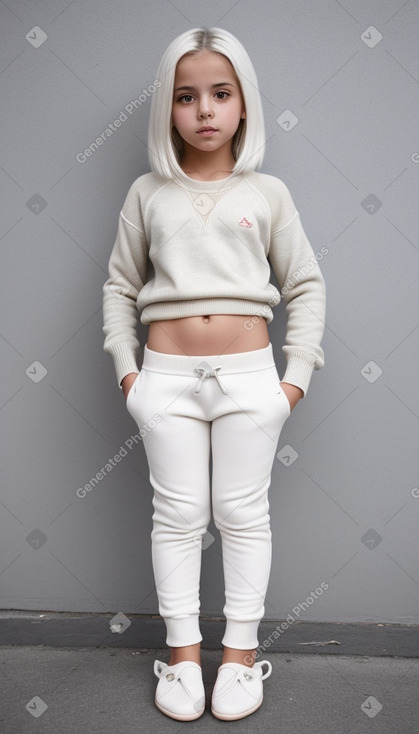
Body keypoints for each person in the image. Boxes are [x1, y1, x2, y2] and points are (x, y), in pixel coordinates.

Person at [102, 26, 326, 722]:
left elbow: (305, 285)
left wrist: (292, 381)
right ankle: (180, 656)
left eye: (219, 94)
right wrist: (128, 376)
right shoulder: (148, 193)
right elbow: (118, 287)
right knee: (177, 515)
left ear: (242, 106)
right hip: (164, 379)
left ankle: (236, 656)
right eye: (185, 97)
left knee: (240, 513)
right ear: (167, 111)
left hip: (250, 379)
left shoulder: (268, 192)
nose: (203, 111)